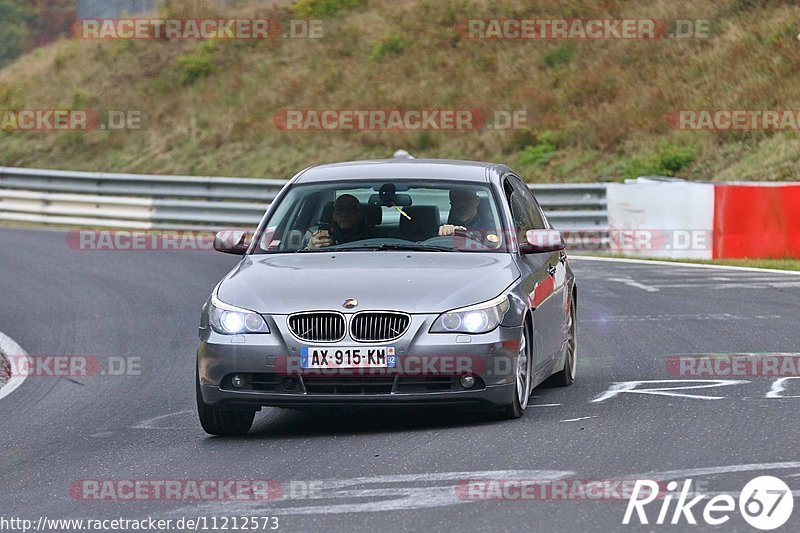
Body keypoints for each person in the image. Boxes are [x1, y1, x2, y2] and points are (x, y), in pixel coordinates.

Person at [307, 194, 372, 249]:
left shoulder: (376, 237)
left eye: (350, 210)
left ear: (359, 214)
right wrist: (311, 248)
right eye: (339, 210)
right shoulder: (320, 235)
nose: (344, 214)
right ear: (333, 215)